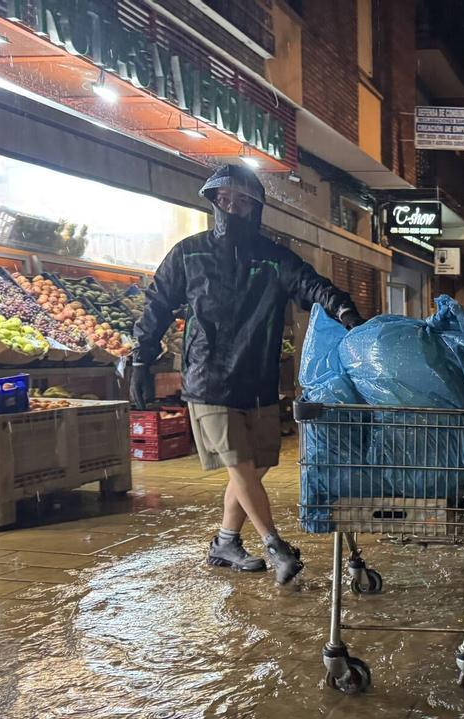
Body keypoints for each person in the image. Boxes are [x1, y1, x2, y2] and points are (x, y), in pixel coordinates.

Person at [131, 164, 364, 584]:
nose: (233, 207)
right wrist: (140, 360)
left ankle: (225, 541)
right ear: (214, 202)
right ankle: (276, 547)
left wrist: (342, 308)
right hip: (208, 380)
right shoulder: (189, 254)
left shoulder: (274, 258)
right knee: (239, 466)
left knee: (253, 468)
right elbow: (157, 306)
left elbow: (312, 285)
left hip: (258, 382)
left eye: (243, 201)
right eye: (225, 199)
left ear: (256, 208)